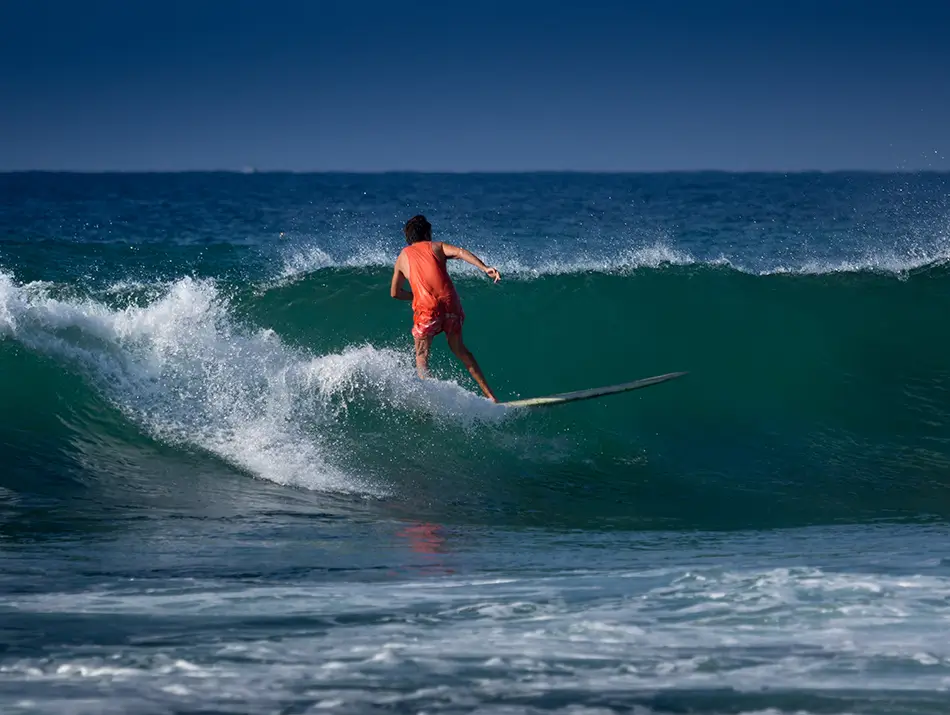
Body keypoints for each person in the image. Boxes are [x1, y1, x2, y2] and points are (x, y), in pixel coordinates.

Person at [390, 215, 500, 401]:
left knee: (422, 357)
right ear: (427, 233)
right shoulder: (436, 247)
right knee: (460, 350)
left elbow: (394, 293)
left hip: (427, 309)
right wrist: (484, 268)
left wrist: (415, 295)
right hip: (451, 305)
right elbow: (460, 252)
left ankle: (429, 403)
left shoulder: (403, 256)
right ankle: (491, 397)